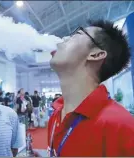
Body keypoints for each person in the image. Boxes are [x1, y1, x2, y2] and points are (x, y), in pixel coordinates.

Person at [45, 20, 134, 157]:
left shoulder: (122, 126)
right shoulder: (56, 115)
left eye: (76, 34)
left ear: (96, 55)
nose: (63, 39)